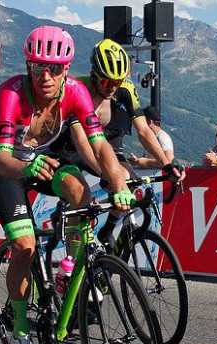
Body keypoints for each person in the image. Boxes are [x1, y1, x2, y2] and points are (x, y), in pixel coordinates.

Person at [0, 25, 134, 344]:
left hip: (46, 159)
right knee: (24, 246)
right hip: (9, 165)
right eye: (38, 68)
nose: (46, 76)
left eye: (54, 69)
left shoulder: (78, 93)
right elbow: (2, 160)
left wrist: (118, 184)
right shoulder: (12, 94)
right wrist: (29, 162)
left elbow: (100, 146)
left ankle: (70, 270)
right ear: (28, 67)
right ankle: (20, 329)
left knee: (81, 193)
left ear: (67, 69)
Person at [69, 38, 184, 243]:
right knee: (106, 182)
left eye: (118, 81)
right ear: (94, 74)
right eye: (106, 81)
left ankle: (108, 230)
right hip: (76, 147)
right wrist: (107, 174)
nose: (112, 87)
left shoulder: (126, 90)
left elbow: (144, 132)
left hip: (111, 144)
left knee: (127, 180)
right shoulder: (78, 89)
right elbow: (83, 142)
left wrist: (167, 165)